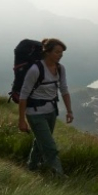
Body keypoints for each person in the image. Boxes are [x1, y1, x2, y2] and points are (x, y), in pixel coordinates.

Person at [17, 38, 73, 176]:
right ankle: (58, 176)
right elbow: (23, 95)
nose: (60, 55)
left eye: (61, 53)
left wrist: (69, 111)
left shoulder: (60, 69)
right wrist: (21, 120)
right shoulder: (35, 70)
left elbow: (64, 90)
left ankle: (32, 168)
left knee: (40, 142)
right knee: (50, 147)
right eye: (57, 52)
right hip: (35, 113)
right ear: (47, 52)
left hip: (51, 112)